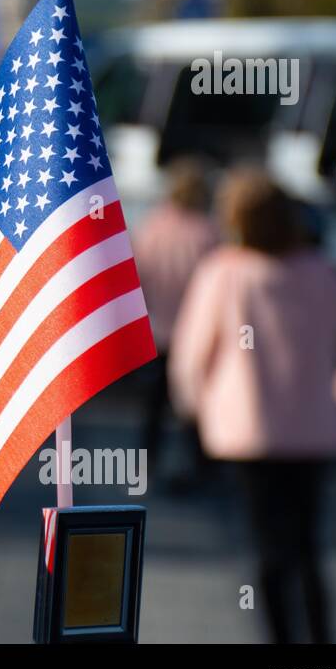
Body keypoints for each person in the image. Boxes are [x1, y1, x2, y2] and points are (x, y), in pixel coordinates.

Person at [168, 168, 336, 644]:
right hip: (313, 430)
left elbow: (191, 355)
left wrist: (195, 407)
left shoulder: (223, 273)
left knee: (267, 548)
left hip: (249, 432)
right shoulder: (323, 274)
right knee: (307, 545)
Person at [131, 157, 219, 483]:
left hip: (155, 330)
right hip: (195, 336)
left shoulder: (150, 228)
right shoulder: (210, 234)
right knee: (194, 406)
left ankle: (146, 463)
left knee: (152, 407)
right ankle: (199, 467)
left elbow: (136, 277)